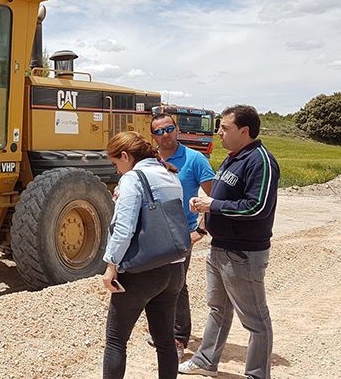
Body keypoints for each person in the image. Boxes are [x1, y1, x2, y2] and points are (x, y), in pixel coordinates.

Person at [179, 105, 280, 378]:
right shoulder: (233, 158)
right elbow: (222, 198)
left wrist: (213, 205)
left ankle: (257, 374)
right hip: (220, 247)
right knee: (218, 309)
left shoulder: (260, 161)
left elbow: (257, 207)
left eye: (225, 128)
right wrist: (205, 213)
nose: (219, 133)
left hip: (243, 252)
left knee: (255, 320)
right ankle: (206, 361)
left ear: (244, 131)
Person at [102, 131, 187, 379]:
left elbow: (124, 228)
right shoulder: (170, 174)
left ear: (125, 156)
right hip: (174, 268)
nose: (117, 170)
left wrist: (111, 264)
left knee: (116, 340)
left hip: (142, 271)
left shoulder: (133, 179)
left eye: (116, 164)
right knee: (165, 340)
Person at [147, 113, 215, 360]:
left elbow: (215, 198)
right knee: (153, 282)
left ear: (177, 129)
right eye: (159, 131)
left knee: (176, 284)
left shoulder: (195, 159)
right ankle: (160, 330)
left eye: (168, 129)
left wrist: (201, 229)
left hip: (180, 233)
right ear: (153, 136)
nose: (165, 135)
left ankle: (178, 337)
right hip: (152, 233)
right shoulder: (149, 160)